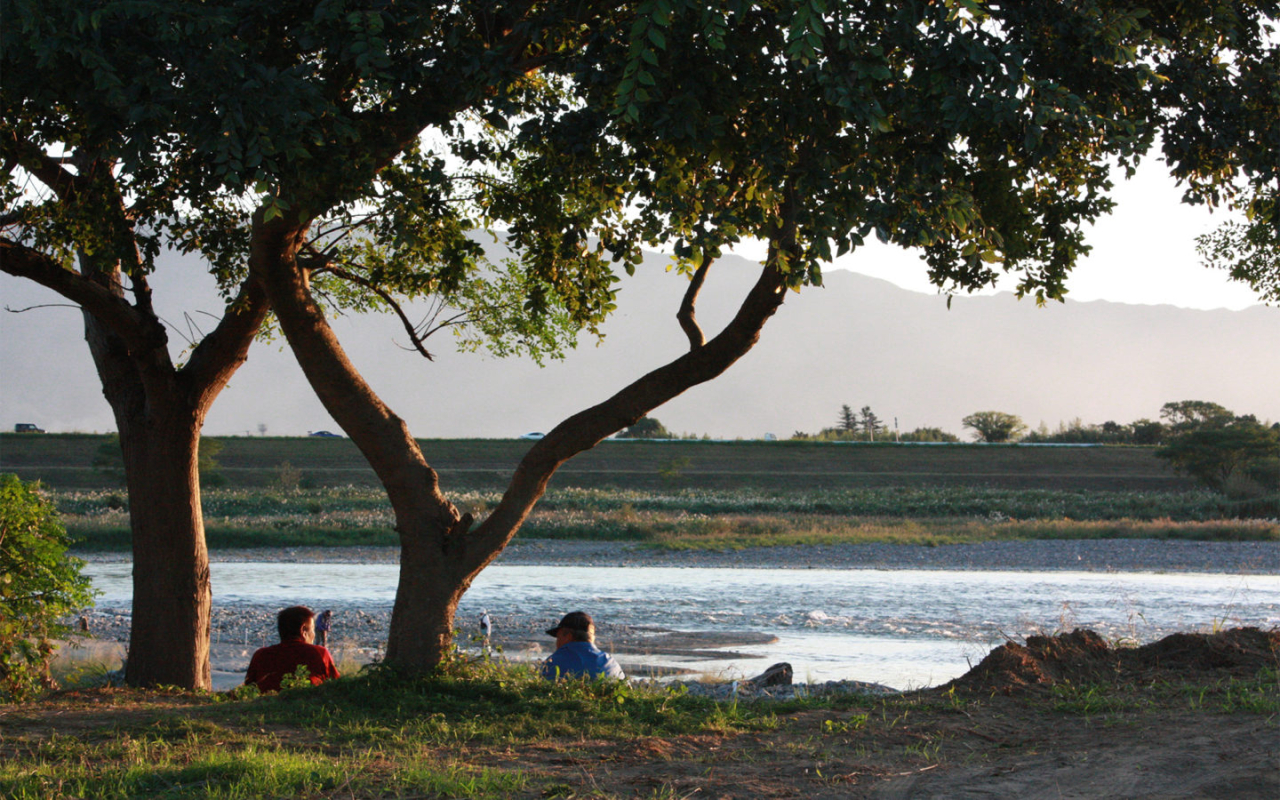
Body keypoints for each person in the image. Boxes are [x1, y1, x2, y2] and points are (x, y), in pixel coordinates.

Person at [244, 605, 340, 692]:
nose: (314, 635)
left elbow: (247, 689)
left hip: (266, 708)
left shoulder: (261, 655)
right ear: (303, 631)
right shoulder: (319, 653)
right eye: (312, 629)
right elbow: (338, 686)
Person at [541, 611, 625, 681]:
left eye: (558, 637)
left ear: (568, 636)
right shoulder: (610, 662)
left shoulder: (554, 662)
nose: (557, 643)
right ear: (592, 637)